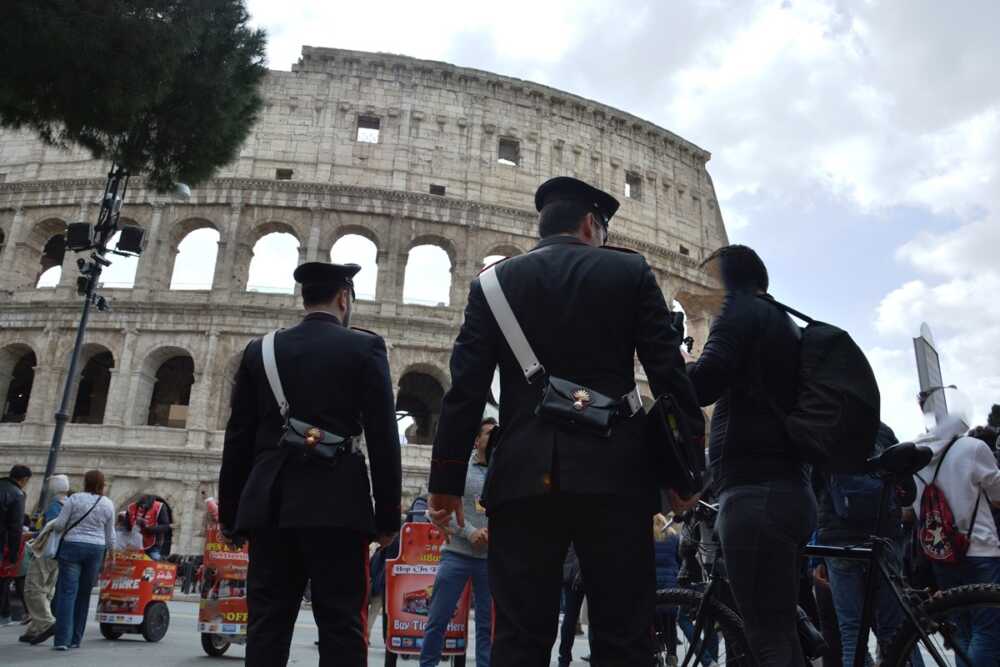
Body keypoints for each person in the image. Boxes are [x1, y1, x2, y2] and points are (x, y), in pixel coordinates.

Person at [428, 176, 703, 666]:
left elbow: (465, 392)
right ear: (590, 225)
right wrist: (686, 474)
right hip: (615, 476)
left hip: (523, 477)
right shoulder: (629, 272)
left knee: (518, 636)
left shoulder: (491, 285)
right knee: (624, 634)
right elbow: (670, 380)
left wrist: (445, 480)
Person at [218, 260, 402, 667]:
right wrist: (387, 518)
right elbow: (384, 438)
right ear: (343, 298)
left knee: (267, 622)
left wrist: (230, 515)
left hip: (270, 506)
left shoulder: (260, 350)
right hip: (338, 504)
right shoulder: (364, 347)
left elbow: (238, 440)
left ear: (303, 299)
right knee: (340, 623)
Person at [686, 244, 816, 666]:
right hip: (790, 489)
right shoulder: (783, 322)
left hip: (755, 491)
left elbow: (703, 384)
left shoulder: (740, 312)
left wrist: (676, 364)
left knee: (765, 634)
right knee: (781, 629)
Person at [815, 422, 924, 666]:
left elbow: (817, 491)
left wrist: (816, 558)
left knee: (851, 630)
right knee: (894, 630)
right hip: (883, 535)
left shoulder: (826, 428)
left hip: (839, 542)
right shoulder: (882, 430)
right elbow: (908, 489)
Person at [912, 394, 1000, 664]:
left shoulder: (915, 456)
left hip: (942, 554)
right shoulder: (973, 448)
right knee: (988, 630)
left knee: (961, 630)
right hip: (980, 549)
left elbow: (914, 509)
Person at [420, 417, 496, 667]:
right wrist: (470, 532)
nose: (494, 437)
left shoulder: (503, 470)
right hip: (456, 555)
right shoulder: (460, 469)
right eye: (489, 433)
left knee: (488, 626)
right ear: (476, 441)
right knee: (437, 620)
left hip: (489, 560)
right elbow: (437, 511)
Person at [50, 469, 116, 650]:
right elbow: (110, 534)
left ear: (85, 482)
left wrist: (53, 526)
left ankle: (62, 640)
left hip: (72, 546)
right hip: (96, 549)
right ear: (103, 484)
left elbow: (60, 525)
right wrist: (111, 552)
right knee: (84, 595)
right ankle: (75, 639)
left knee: (67, 593)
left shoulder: (75, 499)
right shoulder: (107, 503)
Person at [19, 474, 70, 644]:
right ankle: (34, 628)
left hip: (46, 552)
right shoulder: (69, 504)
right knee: (47, 590)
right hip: (59, 553)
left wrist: (32, 535)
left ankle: (46, 623)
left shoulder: (54, 506)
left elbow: (52, 529)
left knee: (33, 589)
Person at [0, 464, 30, 627]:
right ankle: (3, 615)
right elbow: (15, 527)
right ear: (24, 480)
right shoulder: (17, 494)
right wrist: (13, 554)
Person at [557, 543, 586, 667]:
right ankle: (597, 656)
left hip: (571, 571)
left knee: (570, 617)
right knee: (595, 617)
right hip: (583, 568)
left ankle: (564, 658)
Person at [125, 494, 171, 560]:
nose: (142, 508)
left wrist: (149, 528)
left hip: (153, 544)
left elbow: (166, 526)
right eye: (141, 506)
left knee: (154, 561)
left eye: (145, 507)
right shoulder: (132, 507)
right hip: (134, 543)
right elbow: (126, 525)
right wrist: (135, 524)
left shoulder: (159, 507)